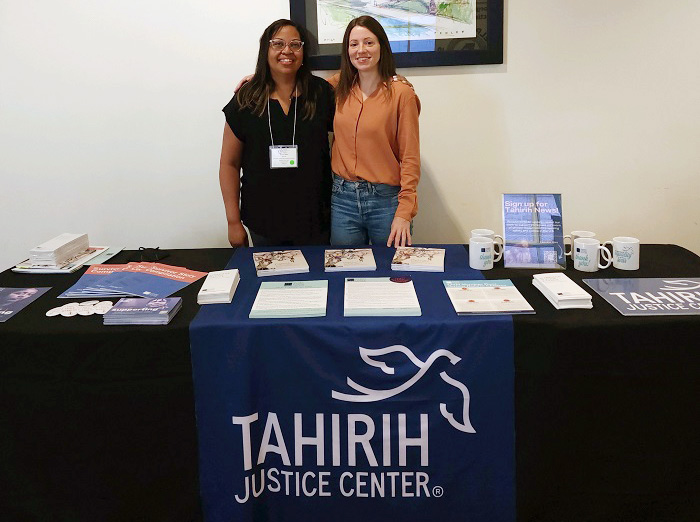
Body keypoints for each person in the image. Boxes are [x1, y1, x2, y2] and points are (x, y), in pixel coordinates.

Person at [219, 19, 335, 247]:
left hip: (316, 220)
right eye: (278, 43)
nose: (287, 51)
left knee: (318, 282)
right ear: (266, 50)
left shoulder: (321, 94)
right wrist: (233, 222)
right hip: (263, 221)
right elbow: (229, 164)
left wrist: (392, 80)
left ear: (303, 52)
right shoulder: (246, 99)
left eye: (295, 44)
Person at [328, 16, 421, 247]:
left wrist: (404, 212)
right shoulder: (337, 88)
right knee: (345, 272)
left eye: (369, 42)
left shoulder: (401, 93)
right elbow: (299, 86)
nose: (361, 50)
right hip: (343, 200)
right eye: (354, 44)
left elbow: (409, 157)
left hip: (386, 201)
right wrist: (260, 79)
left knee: (391, 272)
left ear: (382, 46)